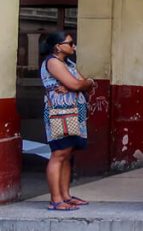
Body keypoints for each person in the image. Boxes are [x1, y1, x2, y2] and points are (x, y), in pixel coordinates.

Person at [40, 31, 95, 211]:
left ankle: (66, 196)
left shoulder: (68, 63)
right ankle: (56, 199)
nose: (74, 46)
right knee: (58, 154)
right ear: (58, 46)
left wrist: (85, 83)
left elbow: (84, 82)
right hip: (59, 114)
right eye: (70, 43)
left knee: (67, 155)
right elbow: (78, 84)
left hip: (73, 113)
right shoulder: (53, 62)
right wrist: (82, 84)